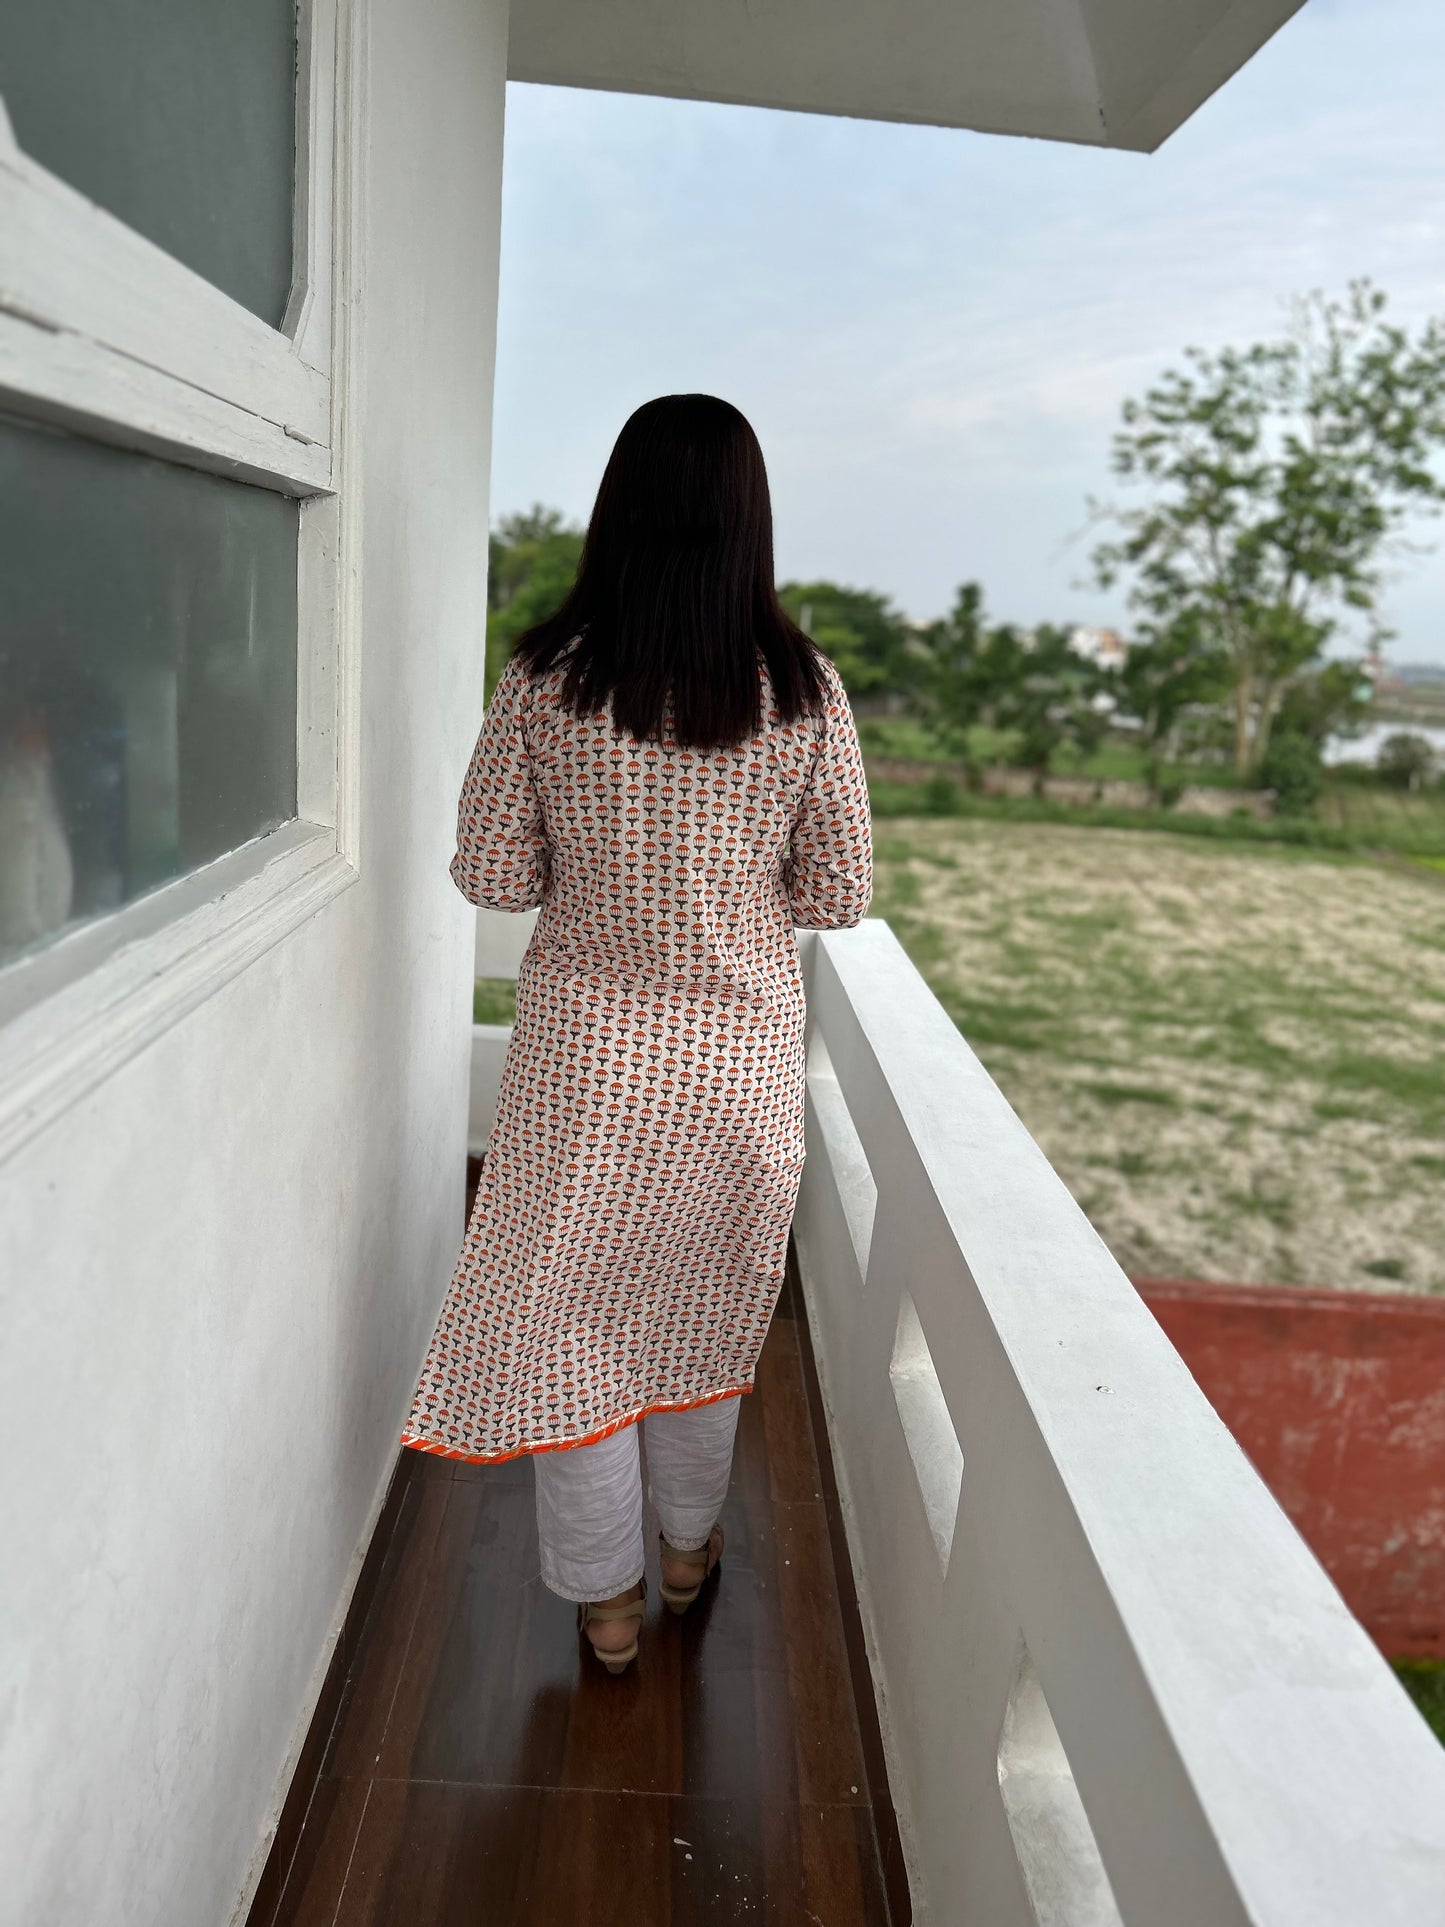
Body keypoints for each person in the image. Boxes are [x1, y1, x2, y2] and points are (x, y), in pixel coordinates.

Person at [402, 394, 873, 1673]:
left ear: (615, 511)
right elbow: (837, 894)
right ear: (746, 521)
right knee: (703, 1316)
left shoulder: (547, 681)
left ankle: (603, 1609)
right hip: (734, 1077)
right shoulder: (799, 689)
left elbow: (492, 877)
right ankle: (684, 1553)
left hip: (580, 1077)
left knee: (570, 1334)